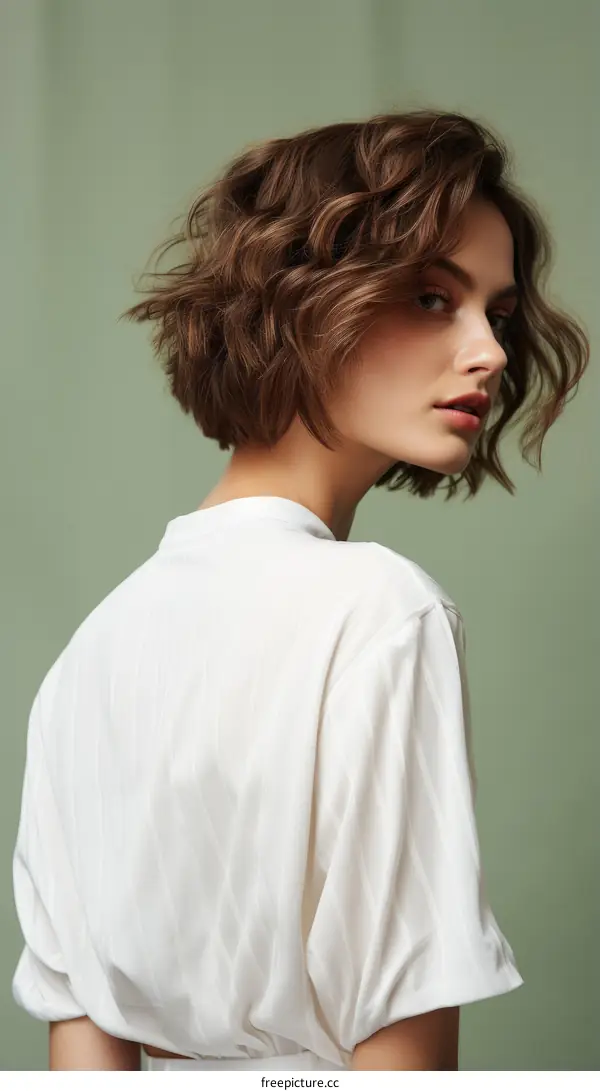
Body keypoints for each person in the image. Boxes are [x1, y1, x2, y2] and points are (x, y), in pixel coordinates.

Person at [11, 109, 589, 1072]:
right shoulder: (382, 610)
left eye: (499, 312)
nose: (489, 352)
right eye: (433, 299)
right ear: (304, 303)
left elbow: (80, 1036)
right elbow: (399, 1029)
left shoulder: (92, 650)